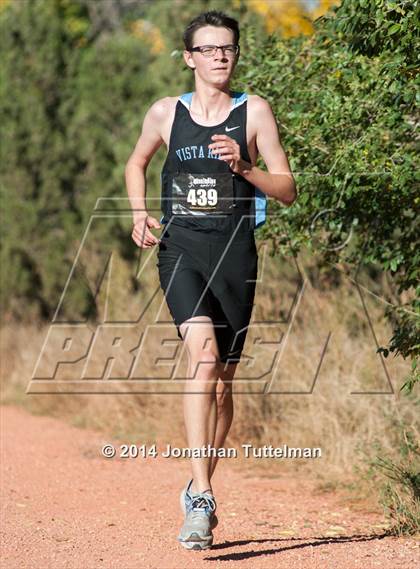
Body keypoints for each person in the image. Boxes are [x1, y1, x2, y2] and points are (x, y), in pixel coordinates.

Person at [125, 10, 296, 551]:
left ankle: (200, 480)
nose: (221, 55)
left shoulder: (255, 112)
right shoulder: (164, 113)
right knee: (202, 359)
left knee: (223, 382)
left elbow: (287, 189)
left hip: (236, 256)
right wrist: (137, 212)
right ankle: (201, 497)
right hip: (181, 252)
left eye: (229, 47)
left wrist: (246, 168)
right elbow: (137, 163)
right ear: (190, 57)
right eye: (210, 48)